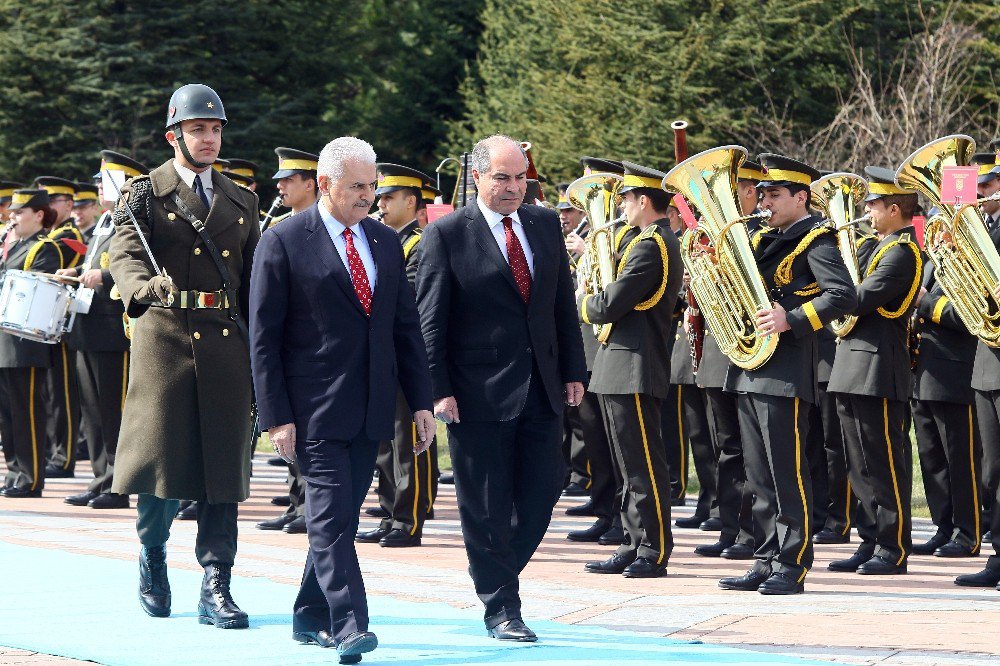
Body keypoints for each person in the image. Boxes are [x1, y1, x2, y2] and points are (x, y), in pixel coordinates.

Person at [250, 136, 434, 662]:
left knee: (341, 519)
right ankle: (349, 624)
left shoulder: (383, 241)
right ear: (326, 184)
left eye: (373, 186)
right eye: (358, 186)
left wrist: (420, 401)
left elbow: (405, 328)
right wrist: (276, 416)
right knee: (329, 519)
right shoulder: (283, 241)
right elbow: (264, 337)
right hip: (313, 411)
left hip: (373, 406)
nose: (369, 196)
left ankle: (308, 613)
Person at [416, 134, 587, 641]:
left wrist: (574, 370)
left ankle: (494, 568)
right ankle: (501, 606)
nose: (514, 188)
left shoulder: (543, 224)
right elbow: (431, 321)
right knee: (485, 502)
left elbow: (561, 305)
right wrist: (437, 388)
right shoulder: (446, 234)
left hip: (543, 385)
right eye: (502, 178)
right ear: (477, 177)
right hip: (476, 391)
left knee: (544, 489)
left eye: (521, 178)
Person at [108, 83, 261, 627]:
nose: (209, 138)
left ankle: (216, 584)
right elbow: (123, 252)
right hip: (165, 340)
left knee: (224, 470)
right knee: (160, 466)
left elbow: (251, 280)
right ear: (174, 135)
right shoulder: (145, 193)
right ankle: (152, 554)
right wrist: (142, 287)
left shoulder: (243, 200)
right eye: (198, 129)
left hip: (224, 342)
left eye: (216, 129)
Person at [719, 154, 856, 595]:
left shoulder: (817, 240)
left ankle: (792, 561)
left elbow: (843, 296)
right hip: (751, 366)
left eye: (775, 194)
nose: (765, 201)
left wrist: (792, 319)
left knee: (786, 471)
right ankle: (765, 556)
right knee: (757, 474)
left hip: (786, 370)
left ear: (801, 197)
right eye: (763, 193)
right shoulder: (760, 238)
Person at [578, 161, 682, 578]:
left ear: (643, 201)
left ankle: (652, 548)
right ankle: (633, 539)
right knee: (627, 464)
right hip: (622, 363)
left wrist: (579, 303)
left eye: (625, 199)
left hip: (634, 364)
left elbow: (608, 304)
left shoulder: (651, 244)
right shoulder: (649, 240)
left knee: (642, 465)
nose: (620, 207)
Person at [826, 166, 922, 576]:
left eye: (873, 204)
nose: (865, 211)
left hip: (879, 366)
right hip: (853, 363)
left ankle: (893, 545)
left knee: (883, 461)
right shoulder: (876, 245)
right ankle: (871, 538)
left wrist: (825, 297)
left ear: (895, 208)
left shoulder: (902, 251)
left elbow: (859, 298)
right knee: (859, 462)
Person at [354, 162, 439, 549]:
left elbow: (407, 300)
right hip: (382, 354)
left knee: (409, 441)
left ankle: (409, 518)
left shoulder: (420, 244)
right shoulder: (383, 241)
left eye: (389, 198)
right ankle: (390, 512)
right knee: (387, 440)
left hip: (407, 353)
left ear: (411, 201)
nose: (381, 205)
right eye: (380, 197)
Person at [62, 151, 148, 510]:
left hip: (115, 331)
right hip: (88, 328)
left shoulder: (138, 220)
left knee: (116, 411)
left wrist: (106, 276)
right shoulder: (105, 223)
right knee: (94, 410)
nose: (99, 187)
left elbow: (142, 266)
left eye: (105, 180)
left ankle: (119, 483)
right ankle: (101, 478)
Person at [693, 159, 766, 559]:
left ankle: (751, 532)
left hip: (752, 352)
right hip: (722, 352)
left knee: (747, 449)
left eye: (736, 191)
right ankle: (729, 528)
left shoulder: (760, 234)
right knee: (726, 447)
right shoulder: (716, 235)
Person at [254, 147, 321, 535]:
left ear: (311, 184)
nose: (279, 186)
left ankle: (307, 507)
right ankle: (297, 504)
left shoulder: (319, 230)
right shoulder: (277, 227)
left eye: (289, 179)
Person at [0, 189, 62, 498]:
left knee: (26, 413)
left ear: (38, 214)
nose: (12, 216)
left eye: (19, 212)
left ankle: (31, 477)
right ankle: (14, 472)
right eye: (12, 212)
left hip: (26, 342)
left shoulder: (44, 248)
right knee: (7, 414)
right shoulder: (11, 247)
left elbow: (39, 288)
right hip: (4, 341)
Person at [34, 176, 84, 479]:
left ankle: (64, 457)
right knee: (53, 393)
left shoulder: (68, 236)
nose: (47, 207)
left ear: (67, 204)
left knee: (64, 394)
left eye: (52, 201)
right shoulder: (53, 233)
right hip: (52, 321)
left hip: (65, 322)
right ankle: (57, 451)